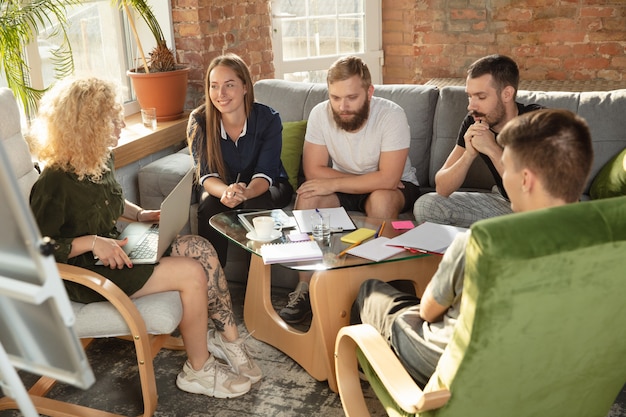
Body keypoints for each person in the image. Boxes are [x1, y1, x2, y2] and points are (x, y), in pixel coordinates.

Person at [28, 77, 262, 399]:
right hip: (84, 272)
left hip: (116, 250)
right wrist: (93, 242)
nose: (121, 124)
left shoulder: (99, 158)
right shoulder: (54, 182)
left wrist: (139, 215)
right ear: (86, 126)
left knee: (200, 248)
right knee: (191, 273)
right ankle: (198, 369)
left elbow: (110, 200)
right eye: (112, 119)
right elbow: (38, 249)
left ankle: (229, 340)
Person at [352, 108, 594, 386]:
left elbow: (429, 313)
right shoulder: (601, 244)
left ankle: (382, 371)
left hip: (453, 368)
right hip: (542, 374)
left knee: (371, 291)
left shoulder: (478, 243)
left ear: (525, 179)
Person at [279, 55, 420, 324]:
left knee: (380, 199)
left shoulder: (391, 115)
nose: (342, 106)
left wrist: (337, 182)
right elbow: (314, 170)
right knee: (309, 195)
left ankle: (370, 293)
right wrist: (363, 179)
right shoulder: (321, 114)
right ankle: (305, 289)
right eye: (335, 97)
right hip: (348, 183)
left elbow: (389, 179)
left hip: (396, 187)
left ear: (369, 92)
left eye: (351, 98)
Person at [413, 54, 544, 228]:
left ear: (507, 93)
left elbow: (531, 194)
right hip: (504, 203)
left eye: (481, 97)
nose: (471, 106)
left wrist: (492, 148)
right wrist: (469, 154)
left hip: (541, 210)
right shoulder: (474, 121)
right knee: (427, 205)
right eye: (470, 96)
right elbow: (442, 188)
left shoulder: (538, 122)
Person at [188, 53, 293, 267]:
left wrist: (244, 193)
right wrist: (227, 192)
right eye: (214, 86)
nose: (221, 94)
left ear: (245, 87)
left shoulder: (268, 119)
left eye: (229, 85)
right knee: (208, 205)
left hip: (268, 185)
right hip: (222, 187)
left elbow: (265, 172)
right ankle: (213, 280)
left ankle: (256, 283)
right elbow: (206, 175)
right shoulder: (200, 121)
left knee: (255, 204)